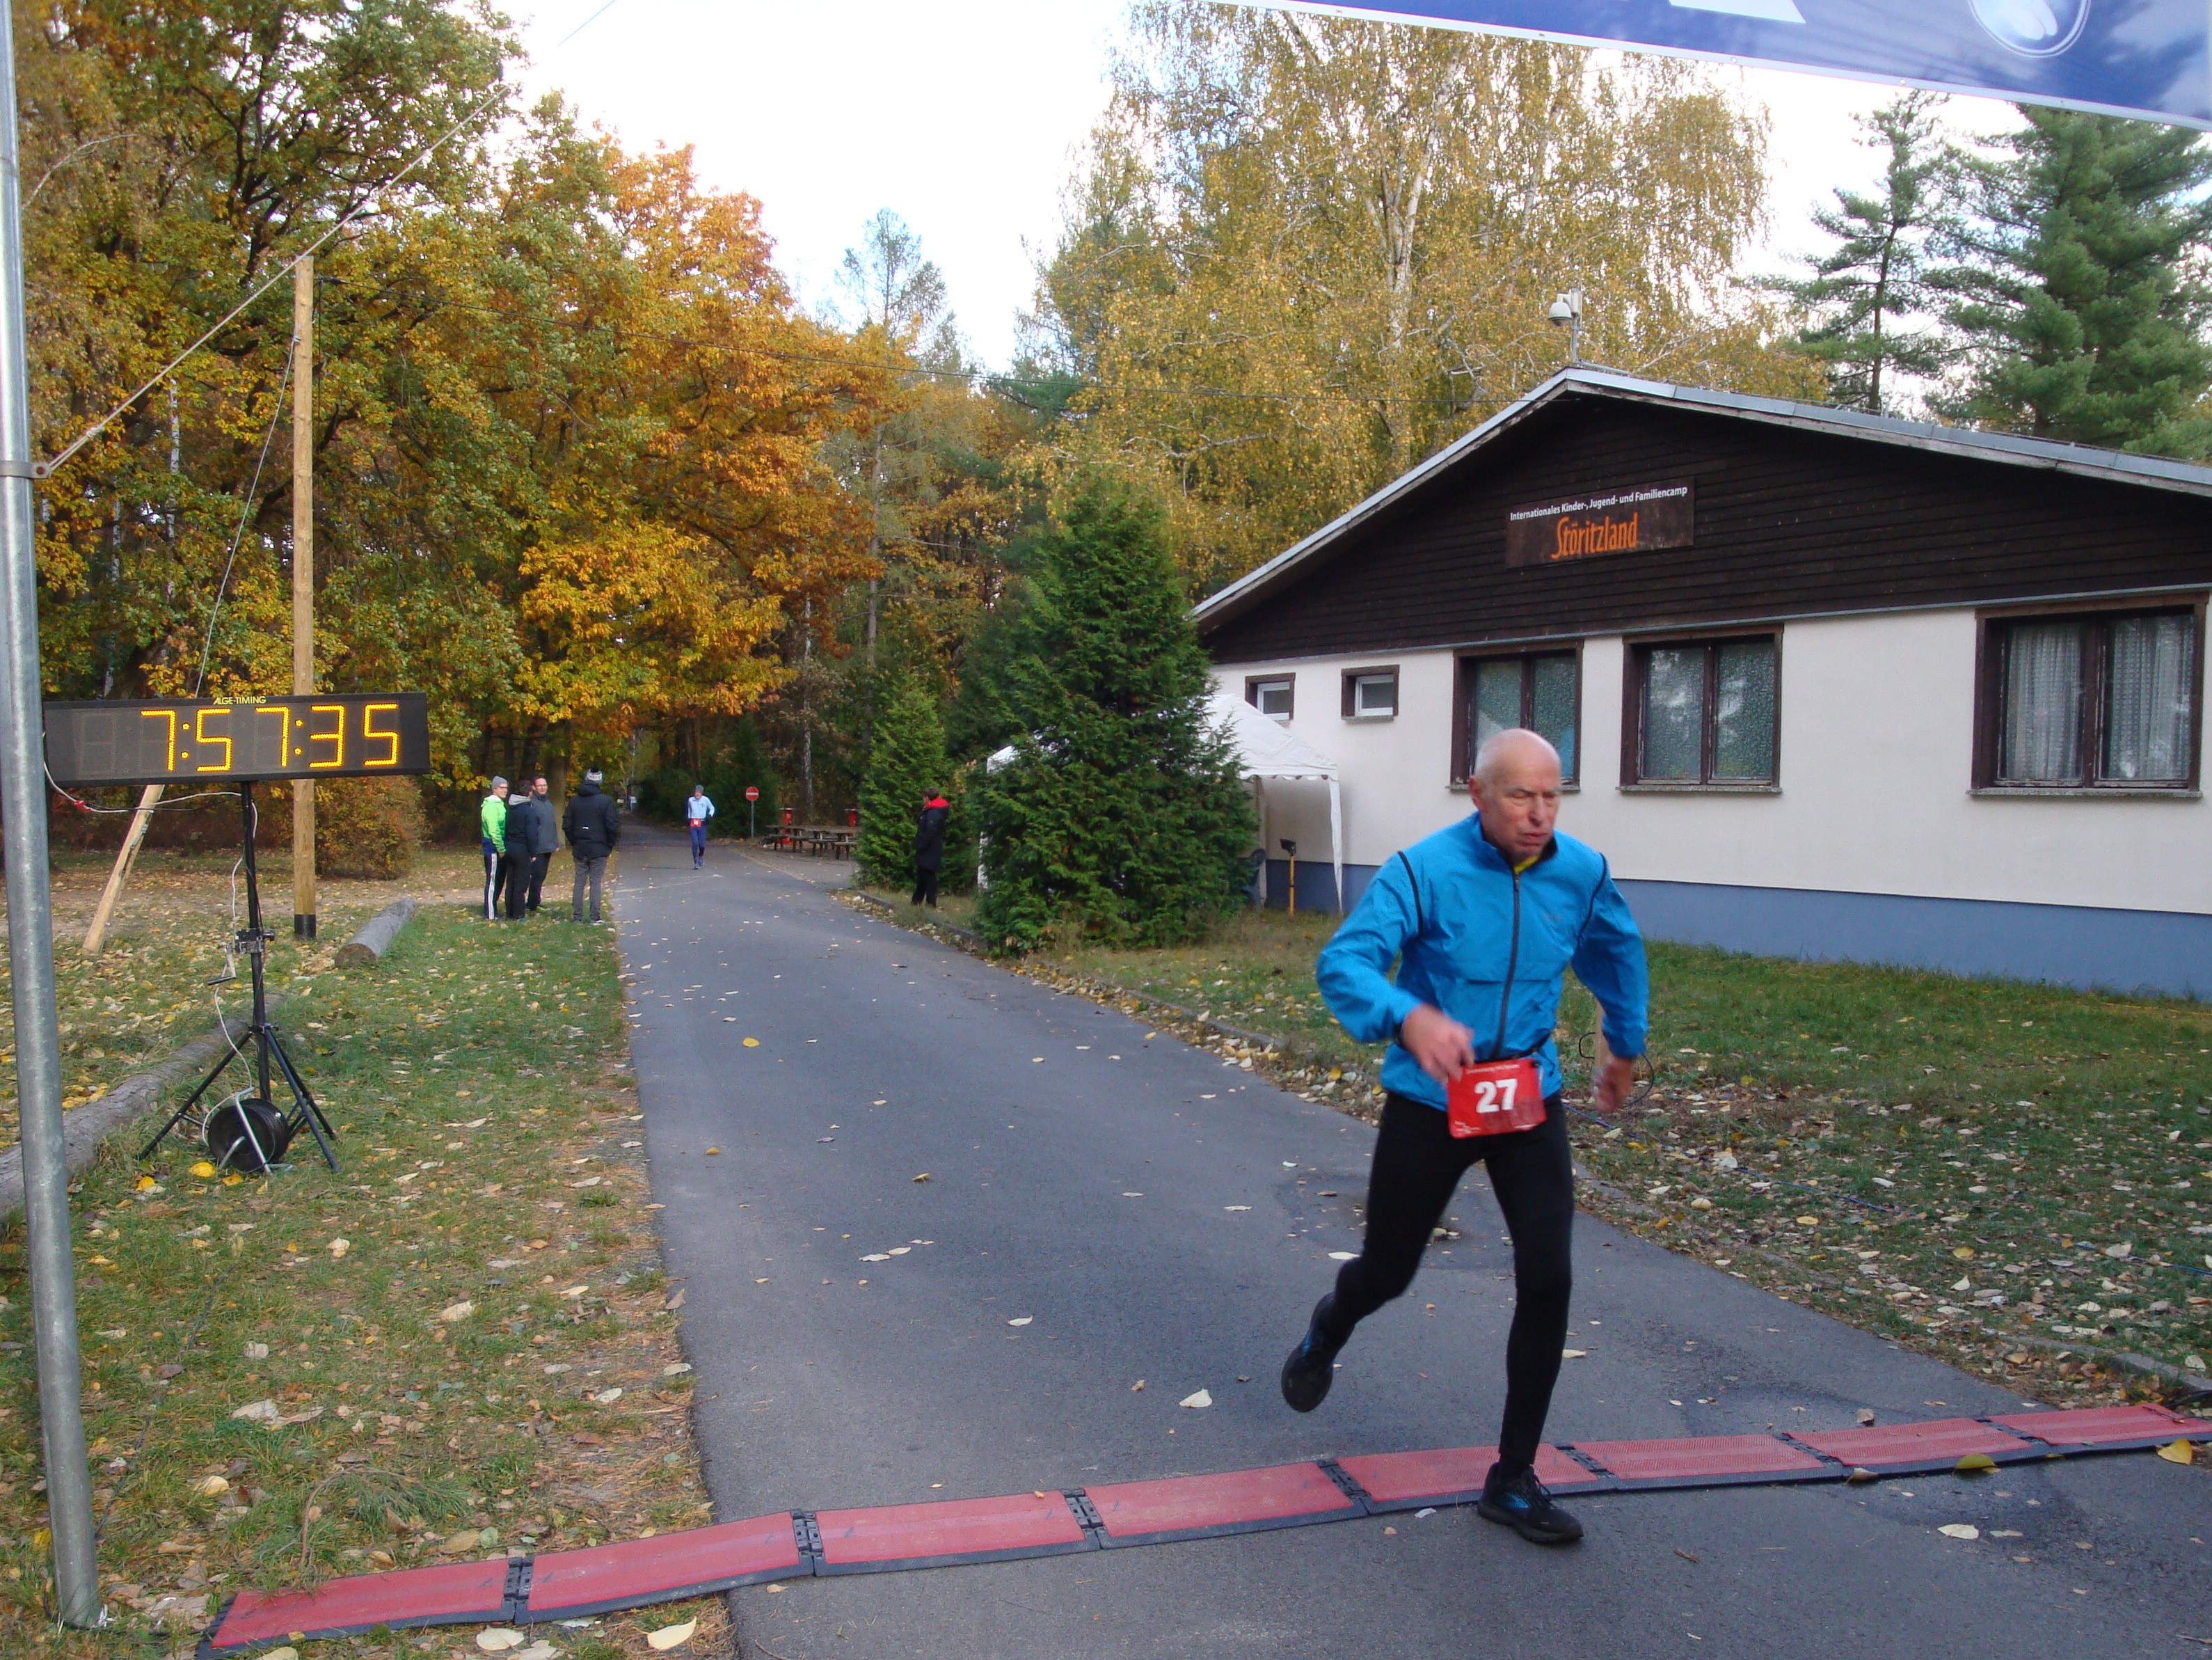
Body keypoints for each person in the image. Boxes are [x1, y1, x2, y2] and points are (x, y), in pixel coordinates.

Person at [1282, 728, 1647, 1547]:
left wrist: (1622, 1043)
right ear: (1476, 794)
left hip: (1525, 1094)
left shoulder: (1580, 871)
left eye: (1552, 796)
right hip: (1432, 1098)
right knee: (1387, 1271)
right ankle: (1329, 1324)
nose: (1538, 814)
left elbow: (1614, 952)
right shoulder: (1422, 870)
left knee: (1548, 1278)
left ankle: (1511, 1479)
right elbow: (1345, 963)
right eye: (1520, 796)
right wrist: (1406, 1016)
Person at [564, 768, 621, 924]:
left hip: (580, 846)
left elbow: (567, 825)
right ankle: (594, 917)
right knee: (595, 882)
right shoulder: (605, 801)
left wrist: (575, 841)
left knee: (579, 881)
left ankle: (577, 916)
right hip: (599, 847)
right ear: (600, 781)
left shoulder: (574, 801)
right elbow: (611, 826)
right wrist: (610, 843)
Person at [502, 784, 540, 921]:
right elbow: (532, 834)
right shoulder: (529, 811)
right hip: (522, 849)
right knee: (521, 883)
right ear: (529, 793)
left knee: (511, 882)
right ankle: (519, 914)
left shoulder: (511, 809)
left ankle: (510, 912)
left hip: (510, 847)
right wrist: (533, 853)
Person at [911, 790, 950, 908]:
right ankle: (917, 900)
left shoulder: (934, 813)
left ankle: (930, 902)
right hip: (928, 848)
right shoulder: (929, 810)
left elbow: (931, 832)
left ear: (927, 798)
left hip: (930, 849)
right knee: (922, 875)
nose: (922, 800)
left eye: (923, 798)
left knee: (929, 876)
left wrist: (922, 845)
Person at [525, 776, 558, 912]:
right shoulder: (532, 803)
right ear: (534, 787)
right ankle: (532, 904)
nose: (543, 787)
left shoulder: (548, 803)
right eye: (539, 785)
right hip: (537, 847)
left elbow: (552, 824)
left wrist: (555, 842)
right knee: (536, 875)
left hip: (547, 846)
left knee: (541, 875)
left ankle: (535, 901)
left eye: (544, 785)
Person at [479, 777, 509, 921]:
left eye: (506, 788)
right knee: (493, 879)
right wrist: (501, 849)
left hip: (500, 844)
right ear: (495, 789)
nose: (505, 790)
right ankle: (490, 913)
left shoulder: (500, 805)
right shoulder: (490, 806)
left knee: (499, 879)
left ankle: (494, 908)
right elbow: (494, 830)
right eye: (502, 788)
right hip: (492, 847)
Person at [685, 783, 715, 869]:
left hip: (702, 823)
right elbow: (689, 810)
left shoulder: (706, 800)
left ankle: (701, 855)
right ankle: (696, 862)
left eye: (699, 792)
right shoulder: (691, 800)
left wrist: (710, 815)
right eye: (696, 792)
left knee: (702, 844)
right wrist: (689, 818)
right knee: (695, 843)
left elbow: (712, 808)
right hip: (693, 823)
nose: (697, 794)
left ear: (702, 793)